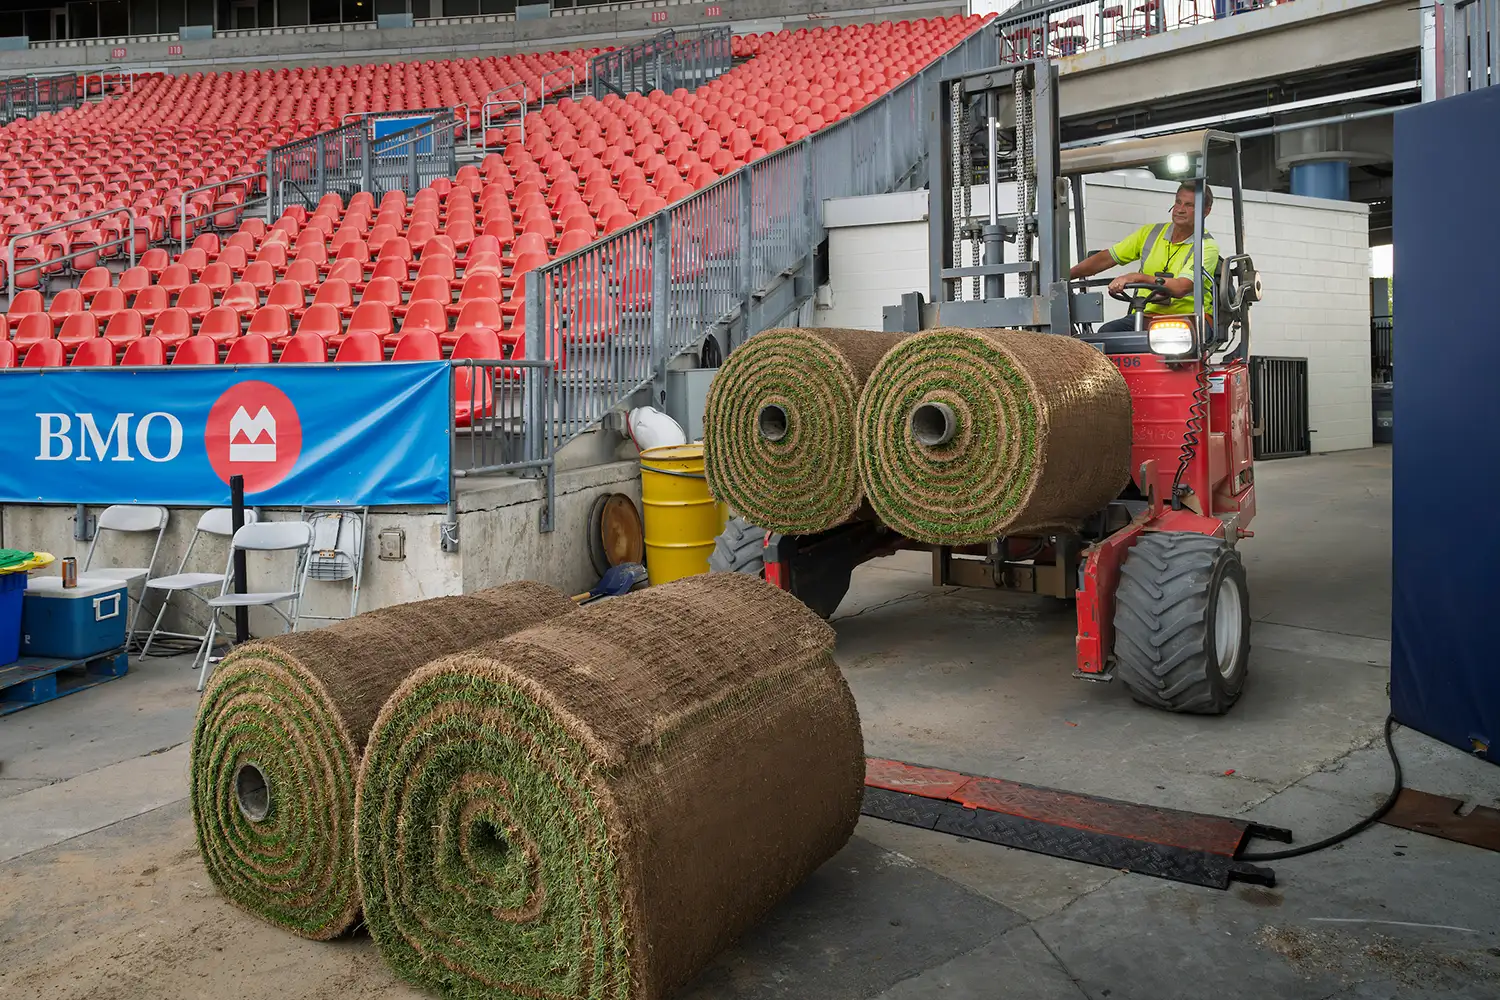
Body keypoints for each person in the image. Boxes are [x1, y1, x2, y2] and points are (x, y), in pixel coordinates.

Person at [1069, 183, 1218, 334]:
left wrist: (1136, 277)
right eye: (1178, 202)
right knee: (1106, 334)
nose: (1180, 210)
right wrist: (1065, 276)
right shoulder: (1150, 233)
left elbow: (1181, 287)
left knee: (1171, 341)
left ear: (1206, 211)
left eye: (1189, 205)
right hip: (1146, 316)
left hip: (1189, 319)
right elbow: (1106, 258)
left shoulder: (1206, 247)